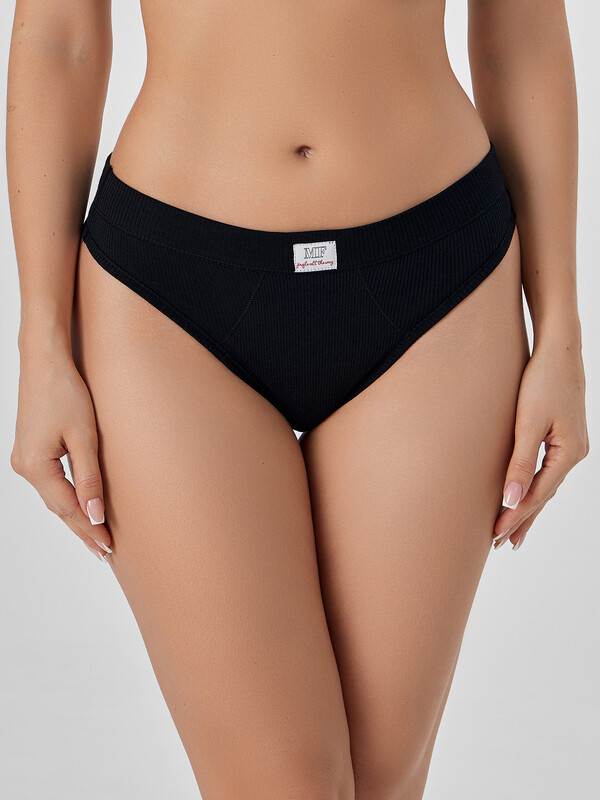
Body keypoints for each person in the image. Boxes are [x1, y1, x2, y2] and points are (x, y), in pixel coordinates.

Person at [6, 1, 589, 797]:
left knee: (379, 782)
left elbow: (520, 28)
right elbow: (60, 37)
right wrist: (40, 344)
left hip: (436, 281)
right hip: (169, 298)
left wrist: (561, 332)